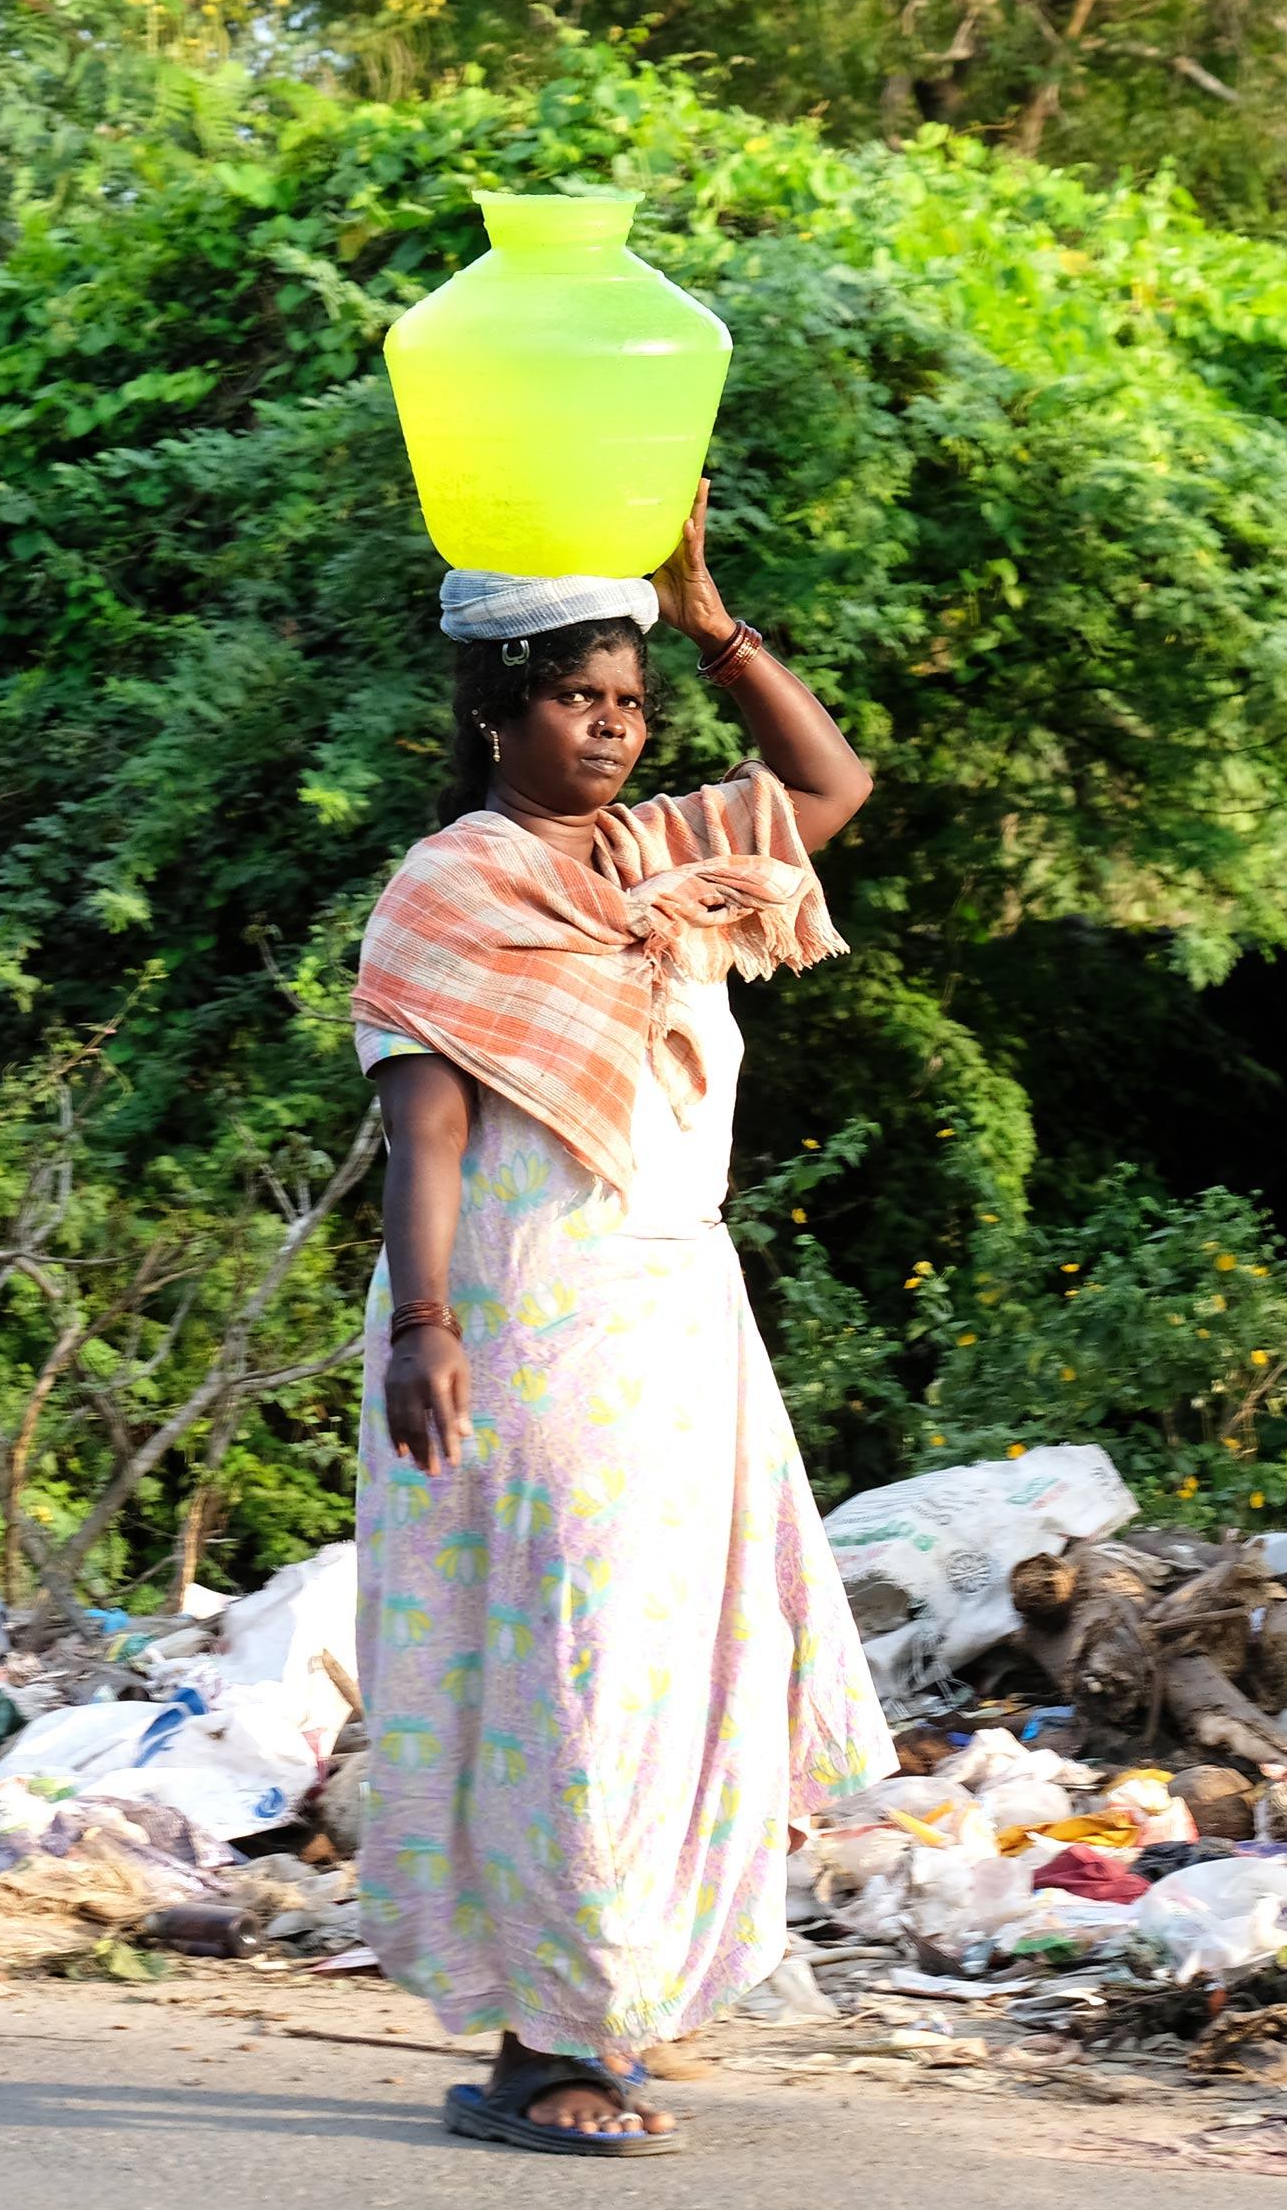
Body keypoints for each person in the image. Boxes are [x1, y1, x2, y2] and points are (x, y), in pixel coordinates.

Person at [349, 486, 893, 2155]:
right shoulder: (451, 888)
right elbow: (425, 1128)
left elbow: (828, 784)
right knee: (561, 1668)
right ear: (496, 707)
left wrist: (704, 606)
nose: (610, 725)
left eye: (629, 701)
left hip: (670, 1316)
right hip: (521, 1319)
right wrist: (423, 1325)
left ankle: (613, 1998)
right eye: (579, 695)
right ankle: (542, 2043)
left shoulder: (661, 855)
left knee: (668, 1670)